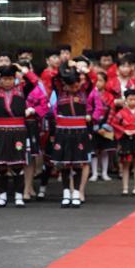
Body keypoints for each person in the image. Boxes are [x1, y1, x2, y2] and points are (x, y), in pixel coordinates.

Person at [0, 64, 38, 207]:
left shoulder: (21, 89)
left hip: (18, 131)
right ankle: (2, 196)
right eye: (5, 79)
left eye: (11, 79)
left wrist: (21, 68)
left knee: (18, 165)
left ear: (15, 79)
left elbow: (35, 81)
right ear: (0, 79)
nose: (7, 82)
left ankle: (19, 196)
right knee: (0, 165)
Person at [48, 60, 94, 208]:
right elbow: (53, 78)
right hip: (63, 132)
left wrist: (83, 70)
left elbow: (91, 80)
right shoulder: (60, 92)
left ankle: (76, 194)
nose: (75, 87)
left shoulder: (83, 91)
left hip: (79, 131)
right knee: (65, 165)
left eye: (76, 84)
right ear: (65, 84)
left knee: (78, 164)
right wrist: (66, 66)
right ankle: (66, 192)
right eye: (71, 85)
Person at [23, 61, 50, 201]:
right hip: (14, 125)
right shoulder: (12, 86)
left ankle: (28, 188)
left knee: (30, 155)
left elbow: (45, 106)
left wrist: (33, 110)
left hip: (32, 123)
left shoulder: (37, 87)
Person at [112, 89, 135, 195]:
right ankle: (125, 188)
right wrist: (124, 131)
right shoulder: (121, 113)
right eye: (130, 99)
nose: (133, 102)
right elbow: (114, 123)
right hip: (125, 138)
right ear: (125, 100)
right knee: (125, 164)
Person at [88, 72, 116, 182]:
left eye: (100, 80)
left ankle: (104, 172)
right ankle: (94, 173)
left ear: (105, 82)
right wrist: (93, 125)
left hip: (106, 124)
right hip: (93, 123)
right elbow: (88, 109)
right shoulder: (90, 94)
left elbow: (112, 111)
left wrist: (106, 126)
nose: (98, 83)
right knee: (94, 150)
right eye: (96, 80)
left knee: (105, 150)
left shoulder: (109, 96)